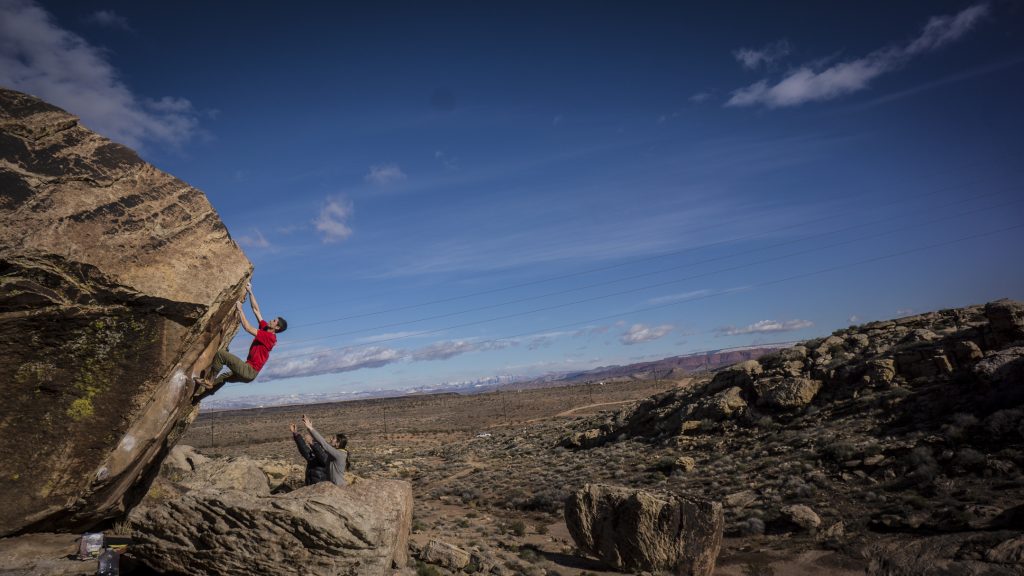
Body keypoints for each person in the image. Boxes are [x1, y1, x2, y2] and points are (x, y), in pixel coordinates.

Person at [194, 282, 287, 398]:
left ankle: (208, 382)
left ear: (277, 327)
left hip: (249, 370)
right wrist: (250, 292)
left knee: (221, 355)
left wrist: (240, 310)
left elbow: (248, 328)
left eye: (274, 321)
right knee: (223, 378)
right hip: (248, 372)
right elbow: (256, 310)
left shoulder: (270, 337)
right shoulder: (265, 329)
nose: (271, 320)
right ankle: (198, 397)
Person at [301, 414, 348, 486]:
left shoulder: (339, 454)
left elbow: (323, 444)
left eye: (333, 438)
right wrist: (309, 429)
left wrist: (311, 428)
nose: (331, 439)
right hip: (333, 486)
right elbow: (321, 444)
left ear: (338, 443)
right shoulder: (336, 452)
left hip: (338, 486)